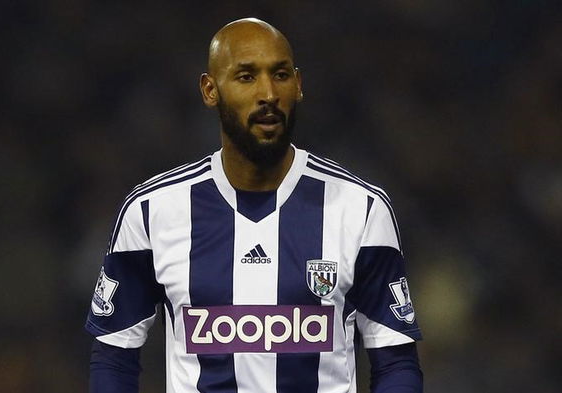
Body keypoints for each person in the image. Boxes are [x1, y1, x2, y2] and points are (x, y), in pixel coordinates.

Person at [86, 18, 423, 393]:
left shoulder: (361, 209)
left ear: (298, 85)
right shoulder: (151, 211)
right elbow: (114, 358)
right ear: (210, 90)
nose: (267, 93)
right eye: (246, 77)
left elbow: (396, 363)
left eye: (279, 75)